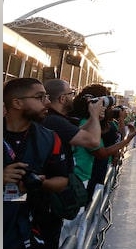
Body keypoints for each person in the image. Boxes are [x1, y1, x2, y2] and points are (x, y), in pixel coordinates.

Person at [3, 78, 70, 249]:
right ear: (17, 103)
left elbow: (62, 180)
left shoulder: (50, 138)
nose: (47, 103)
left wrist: (39, 182)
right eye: (40, 97)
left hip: (29, 228)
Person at [38, 79, 104, 249]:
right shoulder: (54, 121)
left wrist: (92, 117)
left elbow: (77, 133)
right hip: (48, 196)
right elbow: (93, 141)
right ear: (61, 99)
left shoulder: (56, 120)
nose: (73, 97)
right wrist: (95, 116)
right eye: (70, 94)